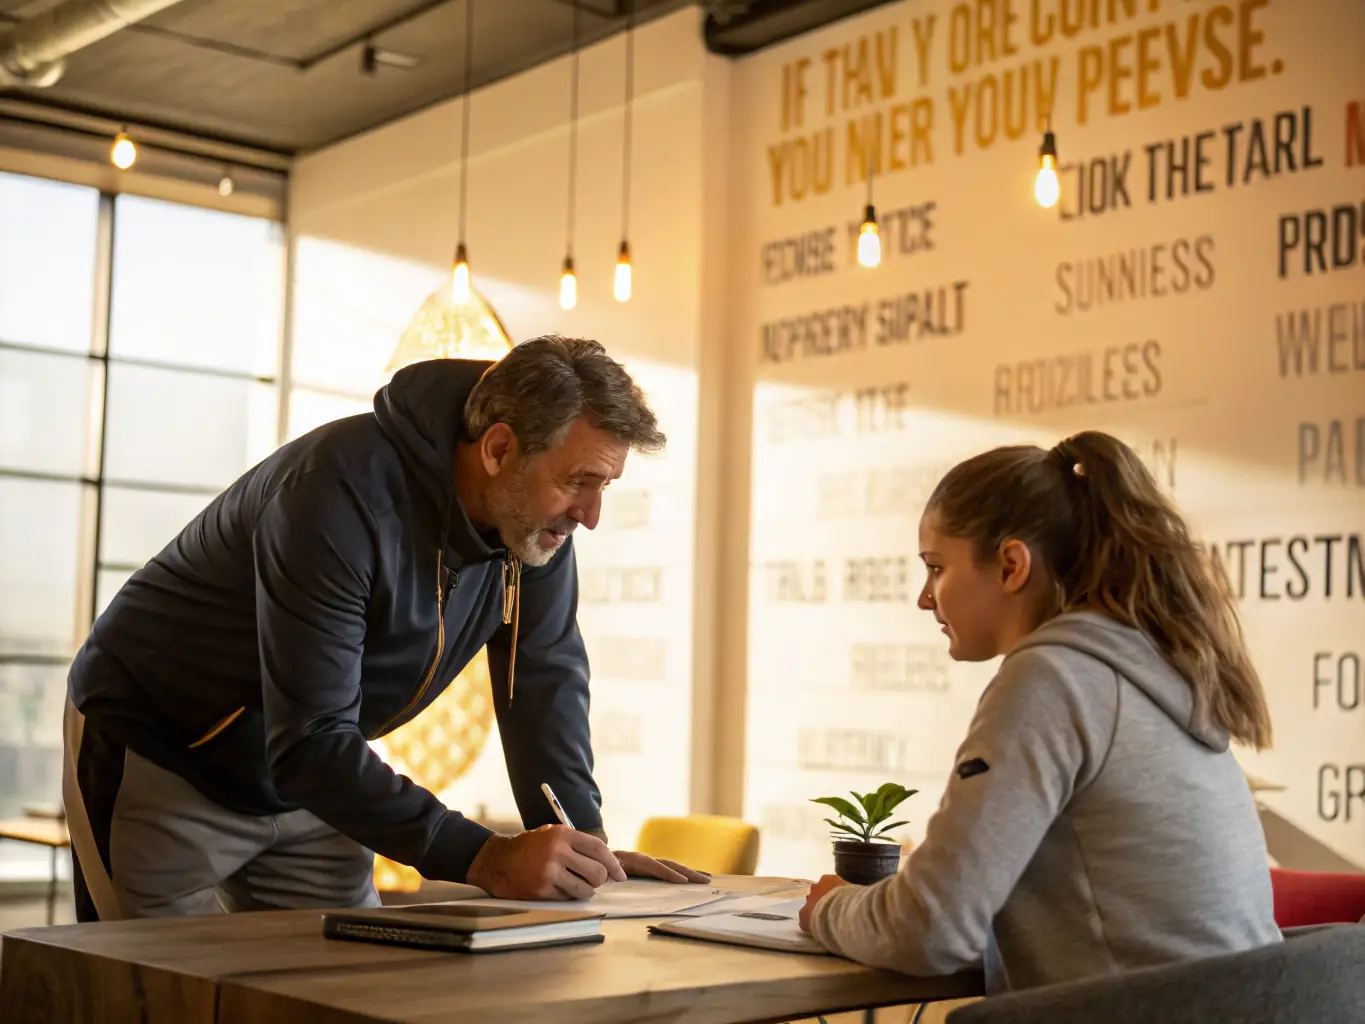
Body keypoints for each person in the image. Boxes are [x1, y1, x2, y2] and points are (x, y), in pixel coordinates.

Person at [63, 336, 707, 922]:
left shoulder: (532, 532)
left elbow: (543, 688)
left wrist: (579, 847)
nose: (591, 515)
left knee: (344, 993)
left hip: (315, 781)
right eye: (579, 482)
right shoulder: (334, 496)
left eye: (605, 486)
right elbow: (310, 740)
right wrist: (482, 857)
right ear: (499, 449)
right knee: (149, 996)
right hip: (166, 747)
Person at [799, 431, 1281, 993]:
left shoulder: (1051, 679)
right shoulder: (1152, 670)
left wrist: (832, 907)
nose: (925, 598)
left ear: (1011, 565)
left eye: (936, 568)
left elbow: (930, 930)